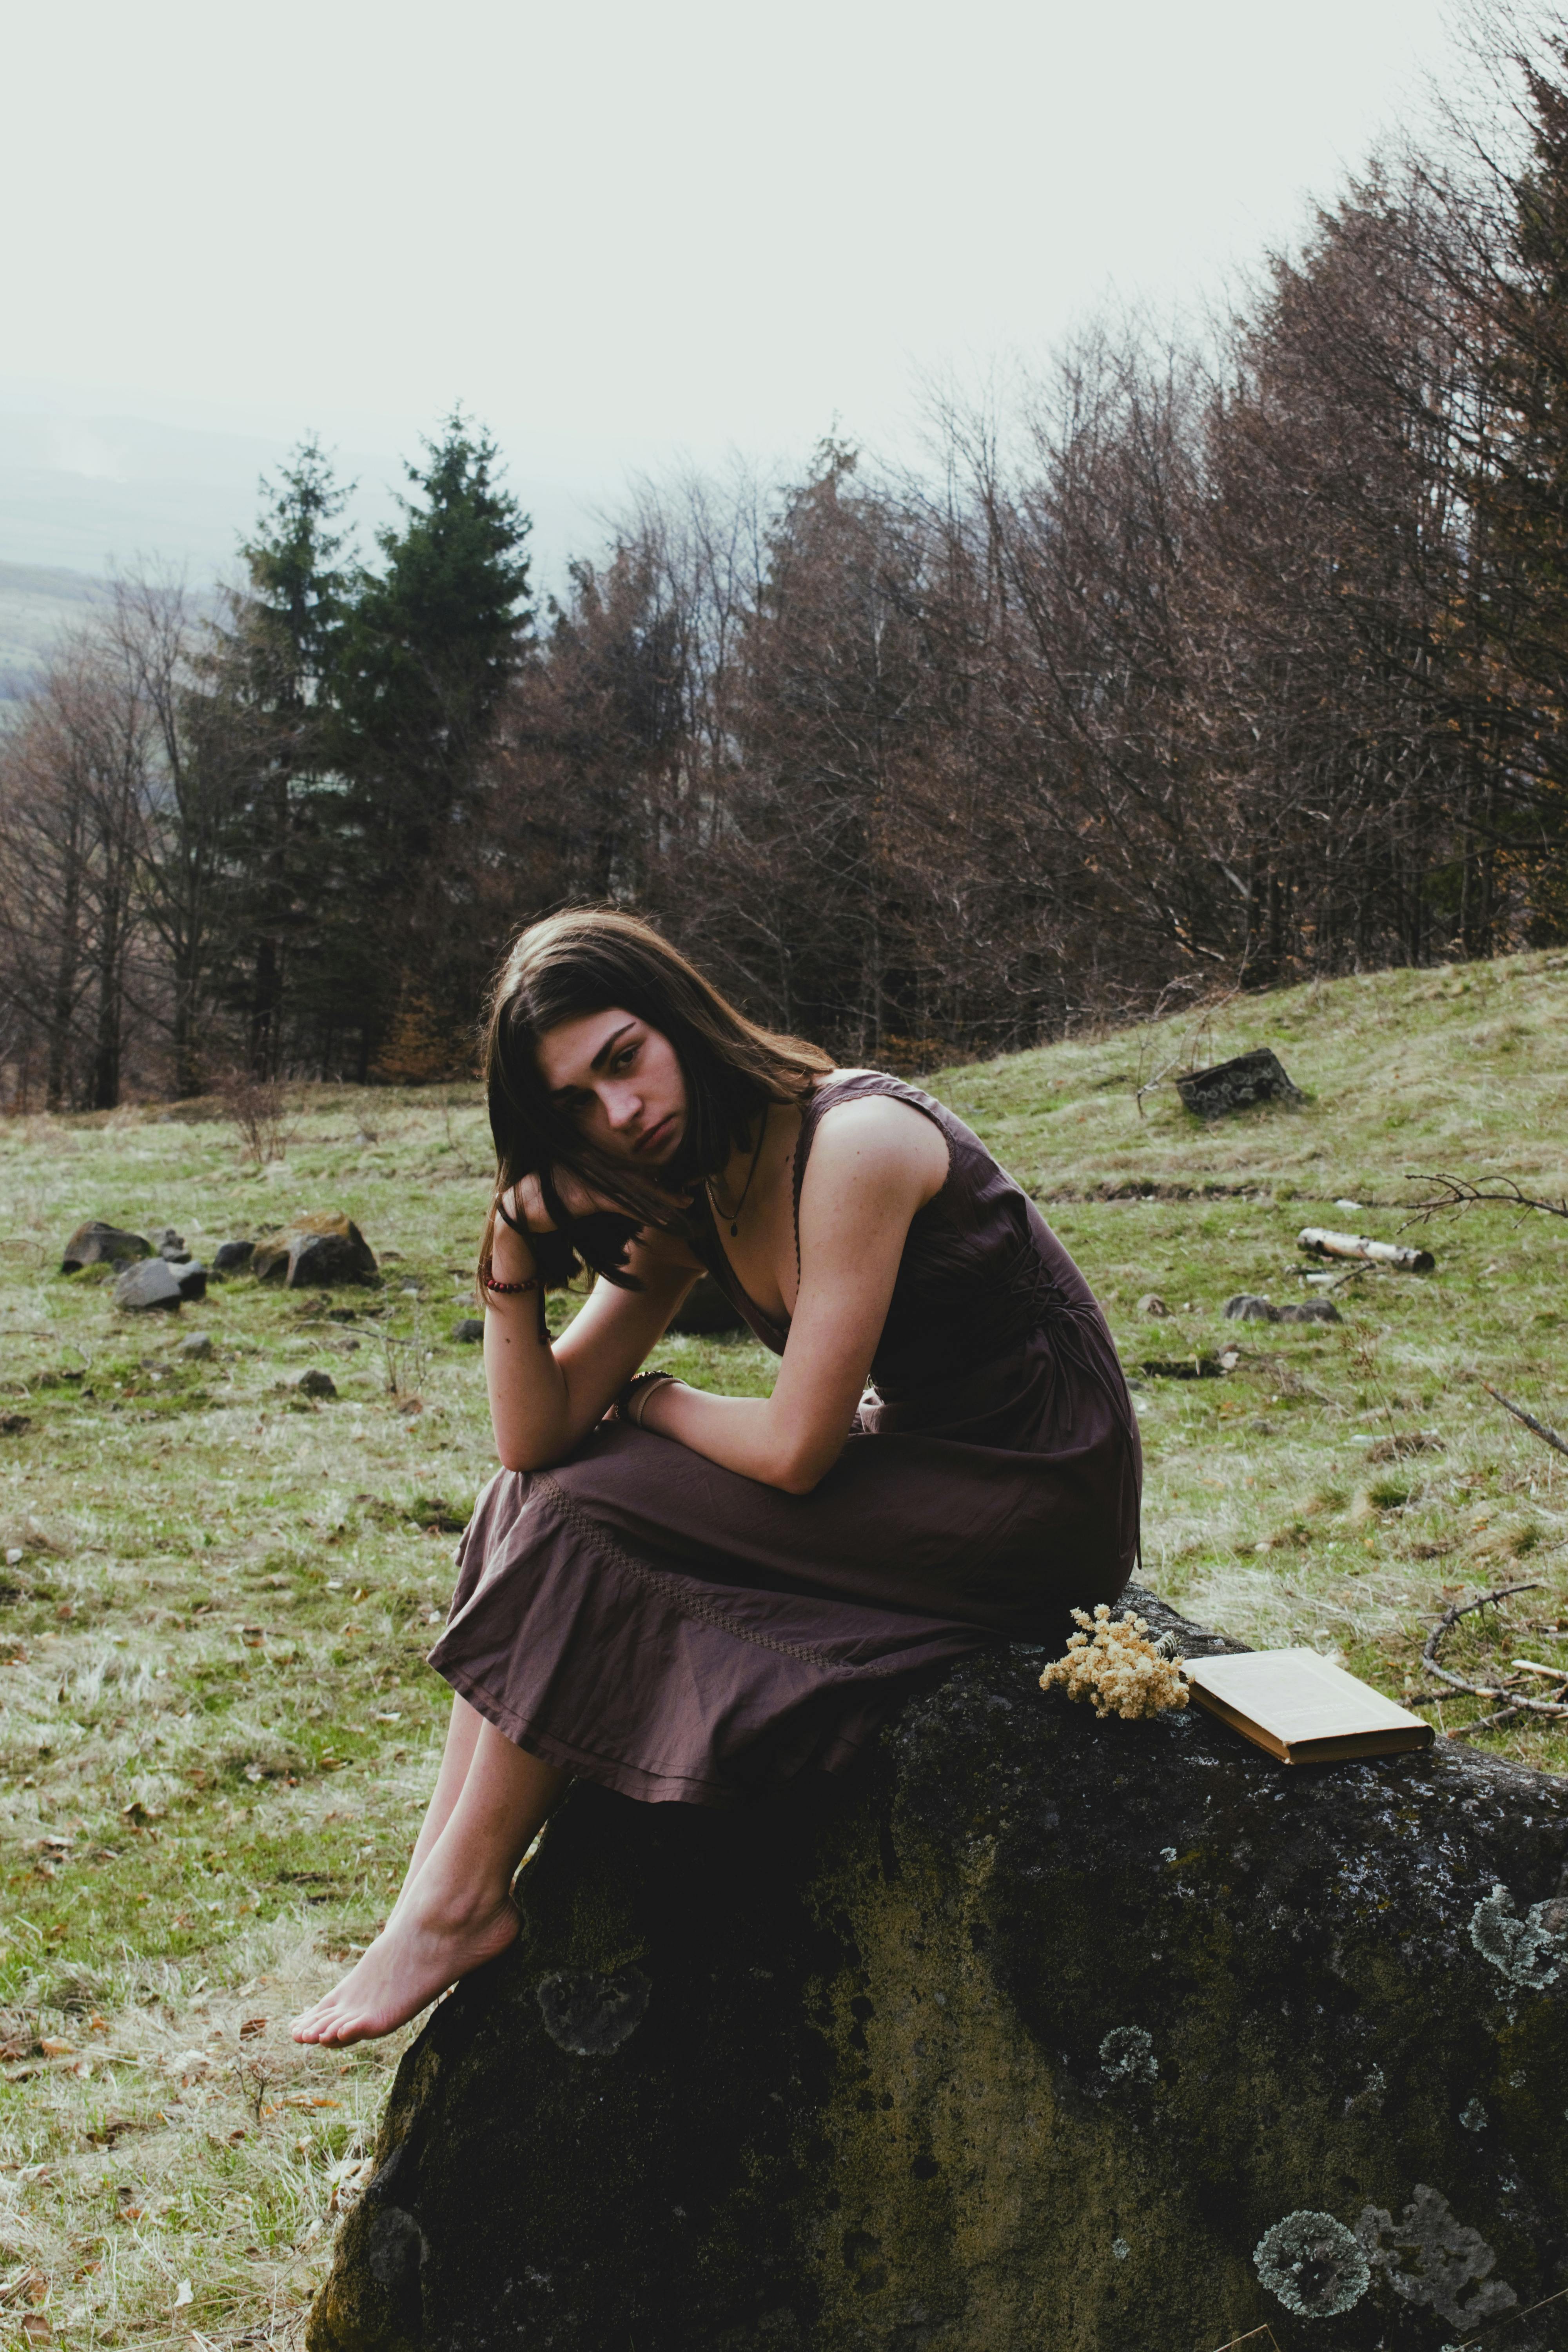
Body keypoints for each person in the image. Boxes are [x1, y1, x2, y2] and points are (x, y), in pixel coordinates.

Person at [292, 909, 1140, 2048]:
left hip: (1039, 1489)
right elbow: (530, 1439)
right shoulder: (702, 1188)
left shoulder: (856, 1141)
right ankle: (438, 1896)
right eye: (578, 1109)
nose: (623, 1115)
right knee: (536, 1502)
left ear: (680, 1017)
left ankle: (458, 1901)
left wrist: (649, 1401)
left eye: (624, 1060)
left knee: (590, 1507)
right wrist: (506, 1259)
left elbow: (798, 1450)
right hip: (936, 1461)